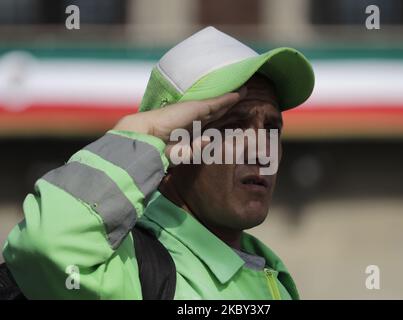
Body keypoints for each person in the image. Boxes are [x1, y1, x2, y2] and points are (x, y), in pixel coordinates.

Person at [2, 26, 314, 299]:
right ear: (173, 144)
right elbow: (47, 249)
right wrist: (144, 137)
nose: (262, 149)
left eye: (272, 129)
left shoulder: (272, 275)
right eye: (232, 126)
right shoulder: (131, 267)